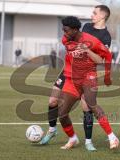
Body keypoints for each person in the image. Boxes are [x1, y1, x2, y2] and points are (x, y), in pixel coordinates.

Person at [40, 5, 112, 151]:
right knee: (53, 100)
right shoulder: (85, 26)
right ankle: (52, 130)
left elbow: (102, 57)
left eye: (95, 13)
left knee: (87, 106)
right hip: (68, 71)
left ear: (102, 16)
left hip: (86, 74)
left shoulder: (105, 36)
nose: (92, 15)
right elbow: (72, 40)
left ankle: (88, 141)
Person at [58, 16, 119, 150]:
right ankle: (73, 138)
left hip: (88, 77)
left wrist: (107, 76)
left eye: (66, 30)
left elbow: (105, 57)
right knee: (62, 113)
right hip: (72, 79)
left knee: (91, 104)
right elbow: (70, 56)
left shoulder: (91, 40)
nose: (64, 33)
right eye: (63, 30)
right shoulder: (65, 40)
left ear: (75, 30)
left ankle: (112, 137)